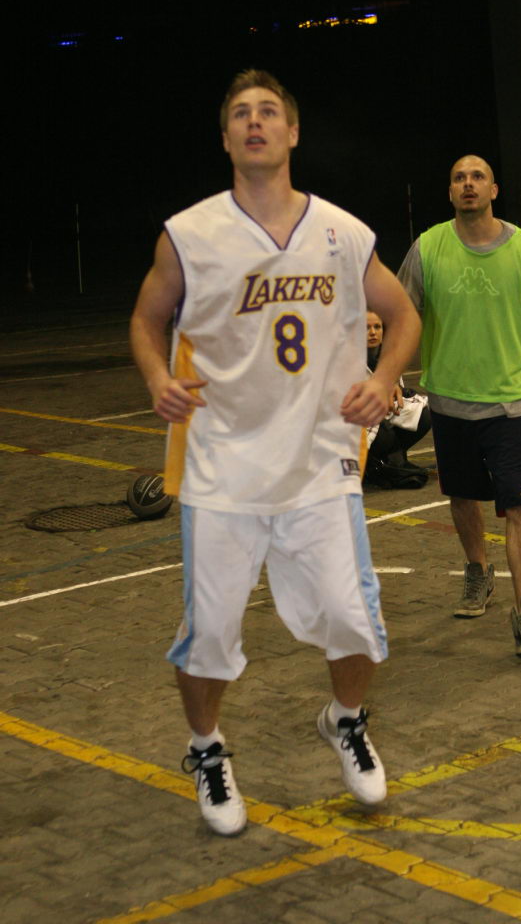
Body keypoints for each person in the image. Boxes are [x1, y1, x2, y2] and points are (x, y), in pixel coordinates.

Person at [130, 69, 421, 835]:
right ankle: (205, 748)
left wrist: (383, 380)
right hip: (221, 466)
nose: (254, 122)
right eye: (239, 114)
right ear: (225, 137)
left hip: (319, 463)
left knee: (354, 620)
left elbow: (402, 315)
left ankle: (346, 719)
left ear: (292, 132)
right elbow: (146, 318)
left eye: (267, 112)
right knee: (210, 635)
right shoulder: (189, 234)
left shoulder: (341, 232)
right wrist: (157, 376)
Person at [398, 155, 521, 656]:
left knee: (520, 505)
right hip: (450, 400)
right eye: (459, 178)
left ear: (493, 190)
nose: (468, 184)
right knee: (462, 497)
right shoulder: (427, 248)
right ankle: (477, 570)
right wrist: (385, 378)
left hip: (513, 403)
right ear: (450, 192)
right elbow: (403, 316)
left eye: (477, 177)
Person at [364, 310, 431, 487]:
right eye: (366, 328)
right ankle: (373, 464)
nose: (373, 333)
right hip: (356, 420)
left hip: (383, 412)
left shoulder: (389, 355)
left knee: (423, 413)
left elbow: (397, 392)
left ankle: (388, 461)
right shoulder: (346, 359)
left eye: (377, 327)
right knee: (383, 432)